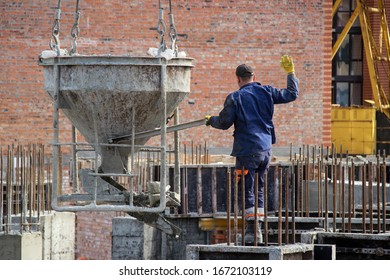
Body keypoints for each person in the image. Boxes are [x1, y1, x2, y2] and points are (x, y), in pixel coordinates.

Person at [205, 55, 299, 244]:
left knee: (247, 188)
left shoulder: (235, 97)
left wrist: (210, 120)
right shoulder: (267, 92)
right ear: (253, 76)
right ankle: (259, 228)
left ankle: (252, 231)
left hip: (247, 151)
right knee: (260, 187)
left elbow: (224, 123)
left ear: (238, 78)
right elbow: (292, 94)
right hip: (265, 150)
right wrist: (291, 73)